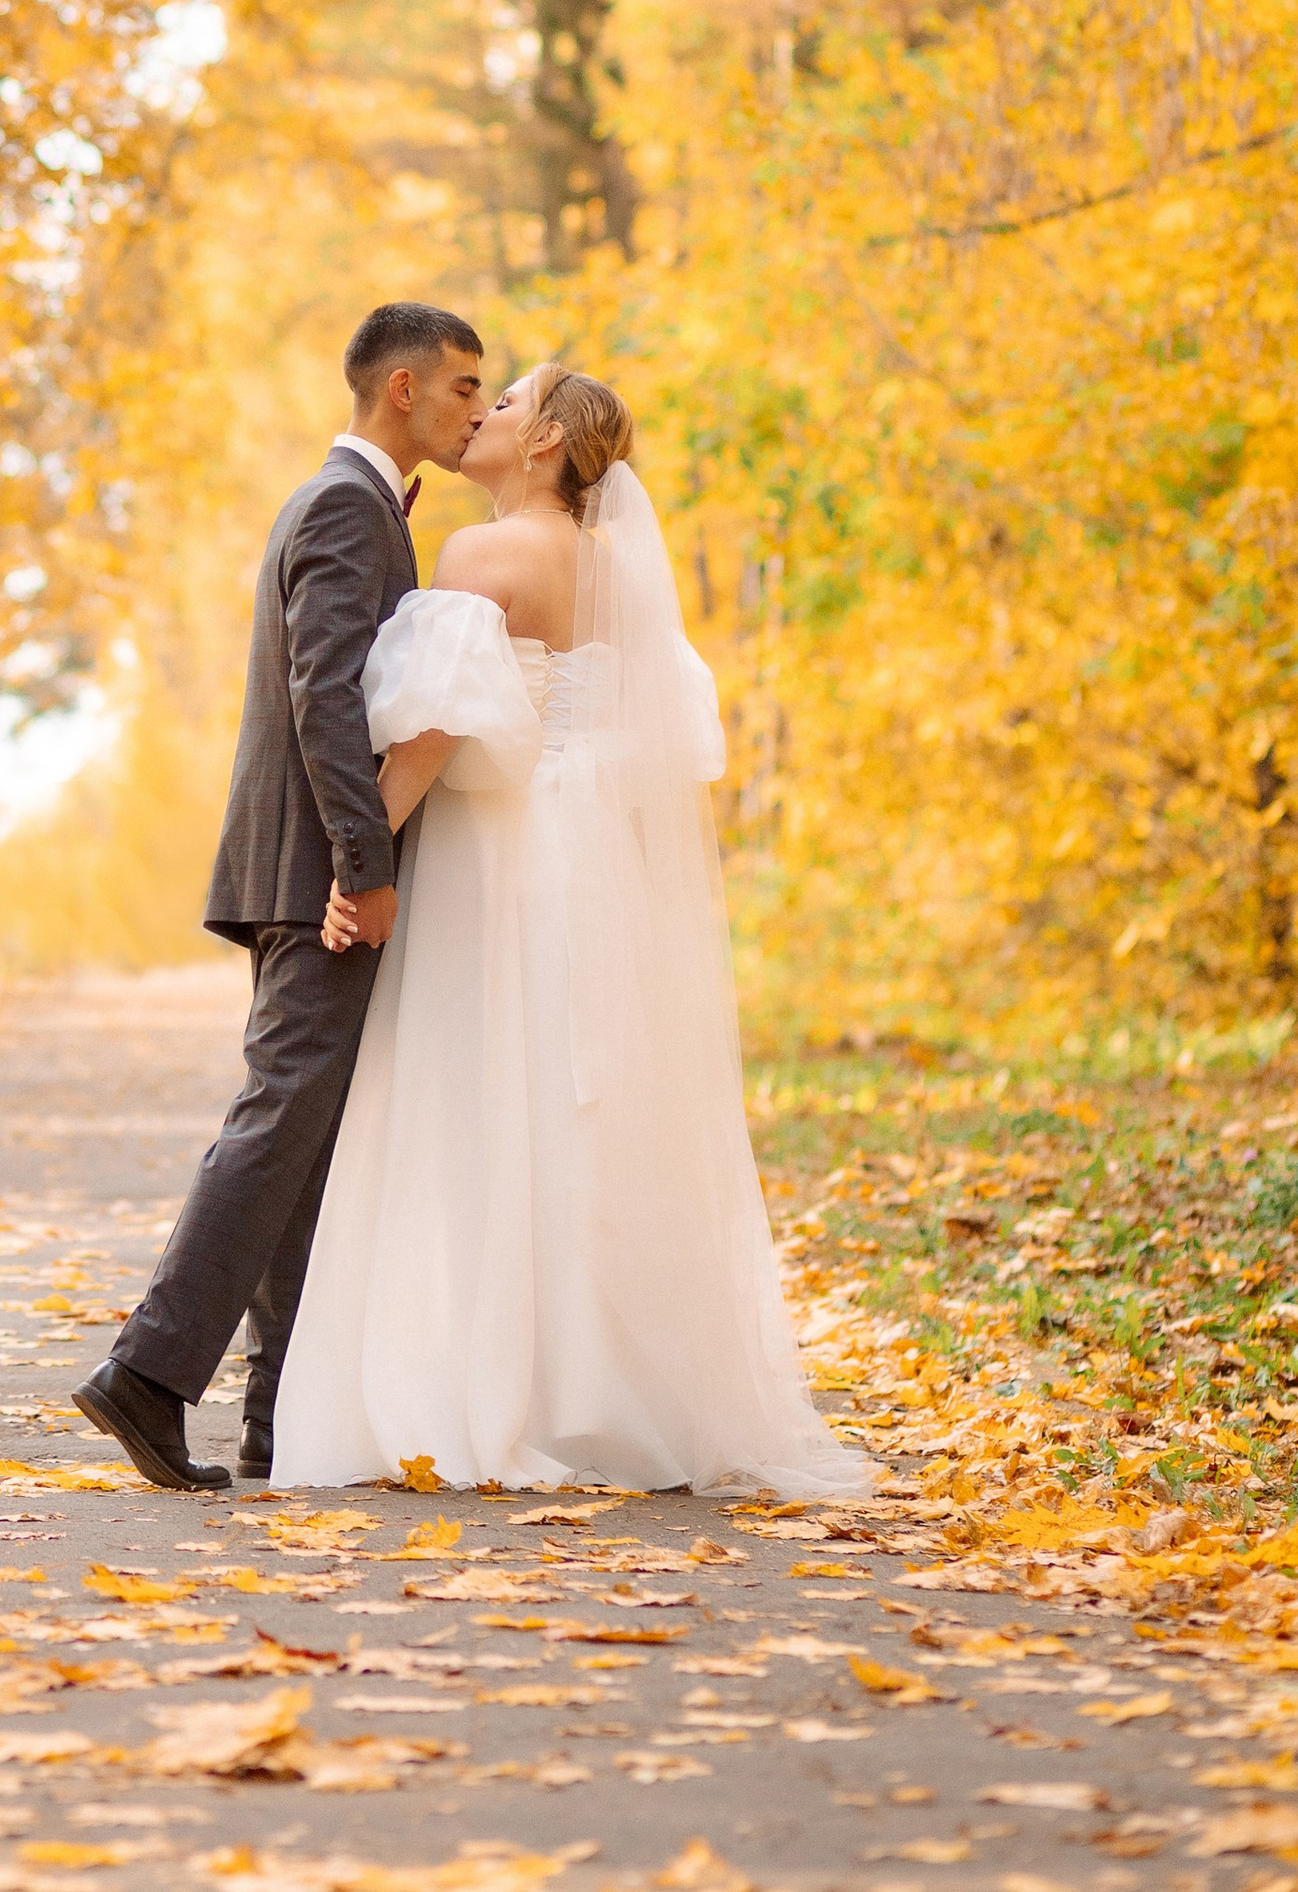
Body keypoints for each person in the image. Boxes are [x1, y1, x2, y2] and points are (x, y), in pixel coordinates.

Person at [272, 361, 870, 1498]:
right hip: (593, 855)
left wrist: (356, 863)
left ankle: (489, 1389)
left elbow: (433, 731)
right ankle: (607, 1392)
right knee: (582, 1103)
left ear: (545, 439)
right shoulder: (617, 574)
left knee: (482, 1096)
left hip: (499, 851)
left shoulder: (481, 555)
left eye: (503, 404)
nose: (480, 416)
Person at [71, 302, 486, 1493]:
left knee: (304, 1137)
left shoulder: (352, 505)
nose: (474, 409)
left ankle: (276, 1414)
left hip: (302, 867)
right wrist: (365, 868)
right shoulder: (347, 508)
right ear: (402, 389)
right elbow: (324, 696)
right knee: (280, 1119)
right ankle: (148, 1374)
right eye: (463, 386)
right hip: (318, 876)